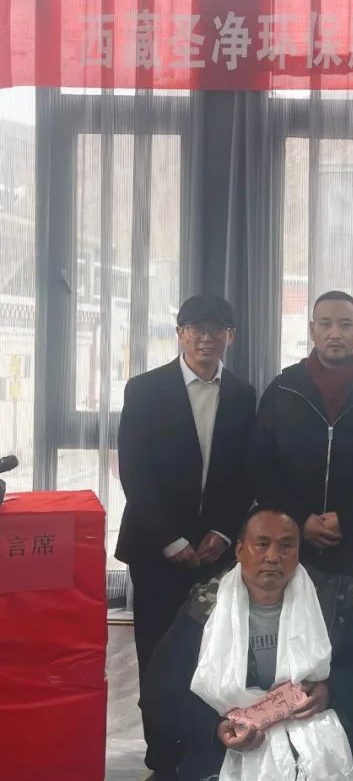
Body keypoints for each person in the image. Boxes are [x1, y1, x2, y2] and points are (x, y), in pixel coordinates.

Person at [116, 293, 256, 780]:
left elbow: (245, 473)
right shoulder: (145, 390)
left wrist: (223, 531)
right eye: (195, 329)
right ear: (179, 334)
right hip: (157, 550)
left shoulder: (243, 394)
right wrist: (170, 539)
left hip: (216, 552)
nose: (205, 338)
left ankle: (203, 751)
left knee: (210, 653)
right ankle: (162, 757)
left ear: (230, 337)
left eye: (216, 329)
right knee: (157, 653)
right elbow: (135, 473)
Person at [141, 507, 353, 781]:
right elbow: (159, 696)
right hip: (220, 754)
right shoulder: (202, 610)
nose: (273, 556)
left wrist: (330, 691)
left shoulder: (333, 605)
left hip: (312, 747)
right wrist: (215, 728)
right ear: (240, 550)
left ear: (298, 553)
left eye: (286, 546)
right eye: (262, 544)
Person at [249, 290, 353, 595]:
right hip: (289, 540)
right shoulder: (283, 389)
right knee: (290, 623)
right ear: (312, 330)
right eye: (325, 324)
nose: (334, 333)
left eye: (345, 325)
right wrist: (301, 519)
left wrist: (348, 520)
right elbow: (260, 465)